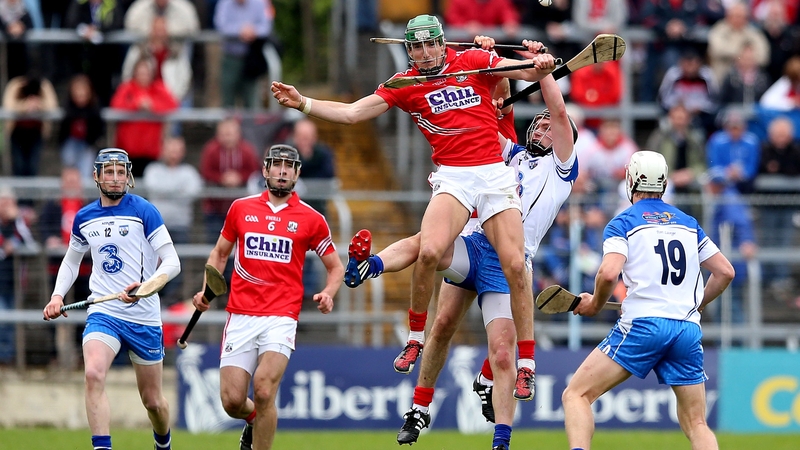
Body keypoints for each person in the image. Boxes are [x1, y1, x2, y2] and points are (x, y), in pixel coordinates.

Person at [271, 17, 556, 400]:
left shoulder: (472, 59)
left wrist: (537, 60)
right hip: (453, 176)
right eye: (416, 47)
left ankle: (527, 365)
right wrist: (303, 102)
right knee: (429, 250)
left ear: (441, 43)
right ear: (408, 50)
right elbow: (354, 113)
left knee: (516, 265)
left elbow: (521, 70)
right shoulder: (404, 84)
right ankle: (414, 339)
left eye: (429, 45)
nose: (424, 53)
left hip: (492, 173)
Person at [346, 74, 578, 449]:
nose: (543, 129)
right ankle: (418, 407)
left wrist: (542, 70)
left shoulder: (562, 168)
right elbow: (477, 133)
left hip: (510, 263)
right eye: (541, 124)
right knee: (438, 301)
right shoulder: (512, 155)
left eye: (551, 128)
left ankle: (501, 439)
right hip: (474, 247)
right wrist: (493, 79)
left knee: (503, 353)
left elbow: (560, 109)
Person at [561, 150, 735, 450]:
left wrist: (595, 304)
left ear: (630, 180)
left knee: (576, 395)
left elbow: (606, 275)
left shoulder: (623, 222)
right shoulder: (688, 222)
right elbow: (725, 272)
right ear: (665, 183)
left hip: (644, 326)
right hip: (686, 329)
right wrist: (697, 303)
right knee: (697, 424)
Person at [191, 145, 343, 450]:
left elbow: (336, 267)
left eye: (290, 166)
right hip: (241, 314)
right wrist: (207, 288)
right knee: (233, 401)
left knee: (263, 390)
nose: (283, 171)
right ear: (265, 170)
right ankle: (253, 421)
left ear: (298, 173)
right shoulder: (241, 208)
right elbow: (220, 254)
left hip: (281, 316)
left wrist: (328, 292)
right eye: (277, 165)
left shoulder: (312, 218)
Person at [42, 148, 181, 450]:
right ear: (96, 176)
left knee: (154, 402)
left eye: (121, 173)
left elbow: (172, 262)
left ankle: (163, 444)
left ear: (128, 176)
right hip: (105, 313)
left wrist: (145, 288)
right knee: (93, 373)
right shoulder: (84, 217)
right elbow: (70, 262)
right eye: (109, 172)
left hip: (143, 316)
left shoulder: (145, 210)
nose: (115, 179)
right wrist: (56, 295)